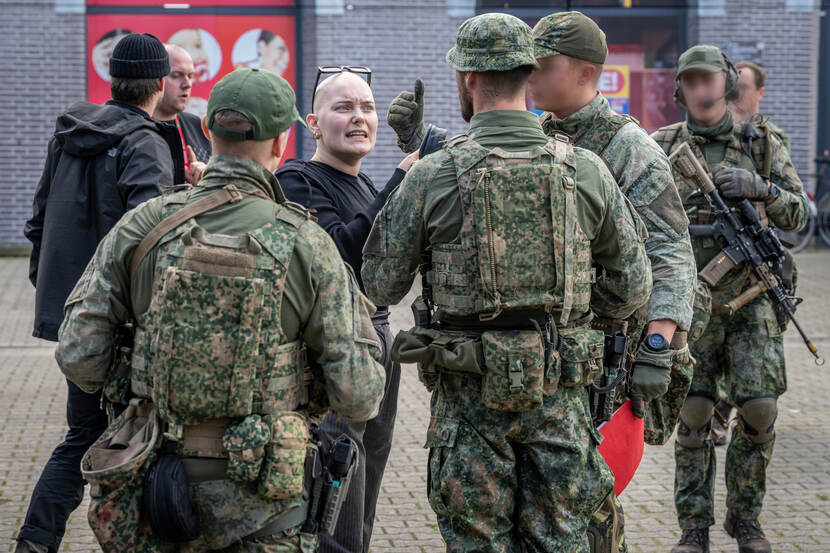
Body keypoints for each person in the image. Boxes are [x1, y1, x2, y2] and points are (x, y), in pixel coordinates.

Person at [55, 67, 386, 552]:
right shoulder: (309, 245)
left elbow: (79, 355)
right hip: (266, 505)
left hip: (151, 490)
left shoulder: (143, 225)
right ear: (281, 141)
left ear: (207, 131)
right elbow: (358, 395)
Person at [362, 13, 652, 553]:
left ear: (467, 78)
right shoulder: (586, 170)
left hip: (468, 403)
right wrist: (574, 314)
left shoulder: (433, 175)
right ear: (528, 72)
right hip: (561, 399)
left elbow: (377, 283)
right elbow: (634, 285)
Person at [528, 13, 697, 552]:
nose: (530, 75)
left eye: (543, 65)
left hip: (603, 352)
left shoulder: (629, 148)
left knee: (590, 502)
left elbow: (671, 250)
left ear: (582, 72)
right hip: (545, 350)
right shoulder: (536, 134)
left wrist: (658, 344)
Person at [16, 33, 182, 553]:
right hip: (127, 320)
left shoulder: (67, 135)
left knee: (85, 431)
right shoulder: (145, 142)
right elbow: (153, 238)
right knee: (136, 439)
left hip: (77, 317)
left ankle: (36, 540)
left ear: (114, 79)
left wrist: (62, 300)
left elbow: (38, 224)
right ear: (158, 83)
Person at [651, 45, 808, 553]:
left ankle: (746, 520)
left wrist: (761, 189)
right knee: (694, 415)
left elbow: (799, 218)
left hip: (753, 297)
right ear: (680, 89)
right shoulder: (660, 146)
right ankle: (693, 528)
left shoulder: (762, 143)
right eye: (690, 80)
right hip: (688, 304)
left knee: (759, 410)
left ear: (727, 85)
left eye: (709, 79)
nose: (700, 89)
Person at [275, 70, 416, 553]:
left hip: (378, 341)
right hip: (336, 351)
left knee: (368, 479)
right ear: (314, 123)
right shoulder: (297, 179)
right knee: (337, 485)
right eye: (344, 107)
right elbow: (342, 255)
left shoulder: (363, 182)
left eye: (368, 107)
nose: (360, 117)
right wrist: (402, 181)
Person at [154, 44, 212, 171]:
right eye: (176, 75)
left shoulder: (198, 126)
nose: (187, 84)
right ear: (156, 79)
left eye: (190, 76)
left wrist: (206, 179)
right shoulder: (135, 128)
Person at [731, 61, 791, 151]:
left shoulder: (773, 137)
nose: (736, 93)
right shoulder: (716, 130)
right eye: (732, 87)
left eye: (743, 87)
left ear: (760, 93)